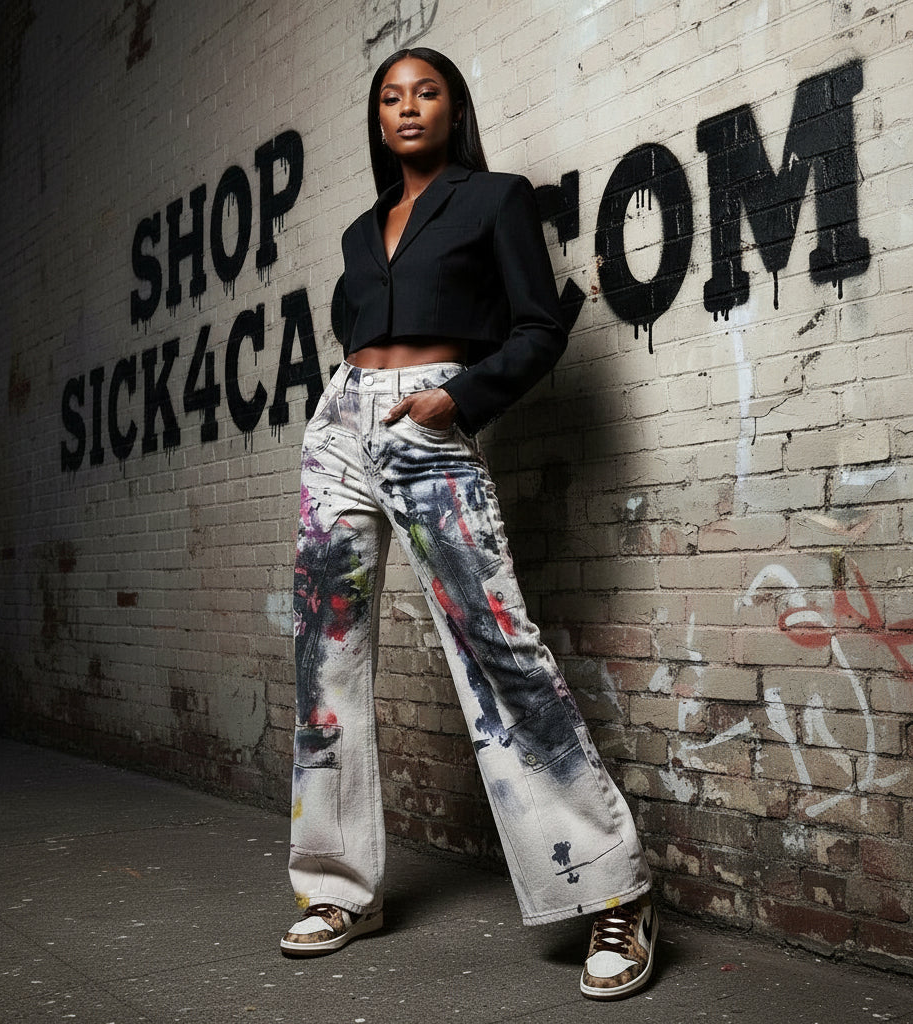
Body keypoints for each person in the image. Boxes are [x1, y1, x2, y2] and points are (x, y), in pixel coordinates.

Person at [279, 47, 657, 1000]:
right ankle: (339, 887)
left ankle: (614, 891)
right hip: (342, 428)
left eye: (427, 93)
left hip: (428, 423)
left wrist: (459, 399)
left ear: (454, 108)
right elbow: (354, 328)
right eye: (391, 97)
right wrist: (352, 400)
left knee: (499, 651)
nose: (408, 109)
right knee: (321, 660)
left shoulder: (494, 200)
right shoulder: (363, 234)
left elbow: (539, 327)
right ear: (377, 120)